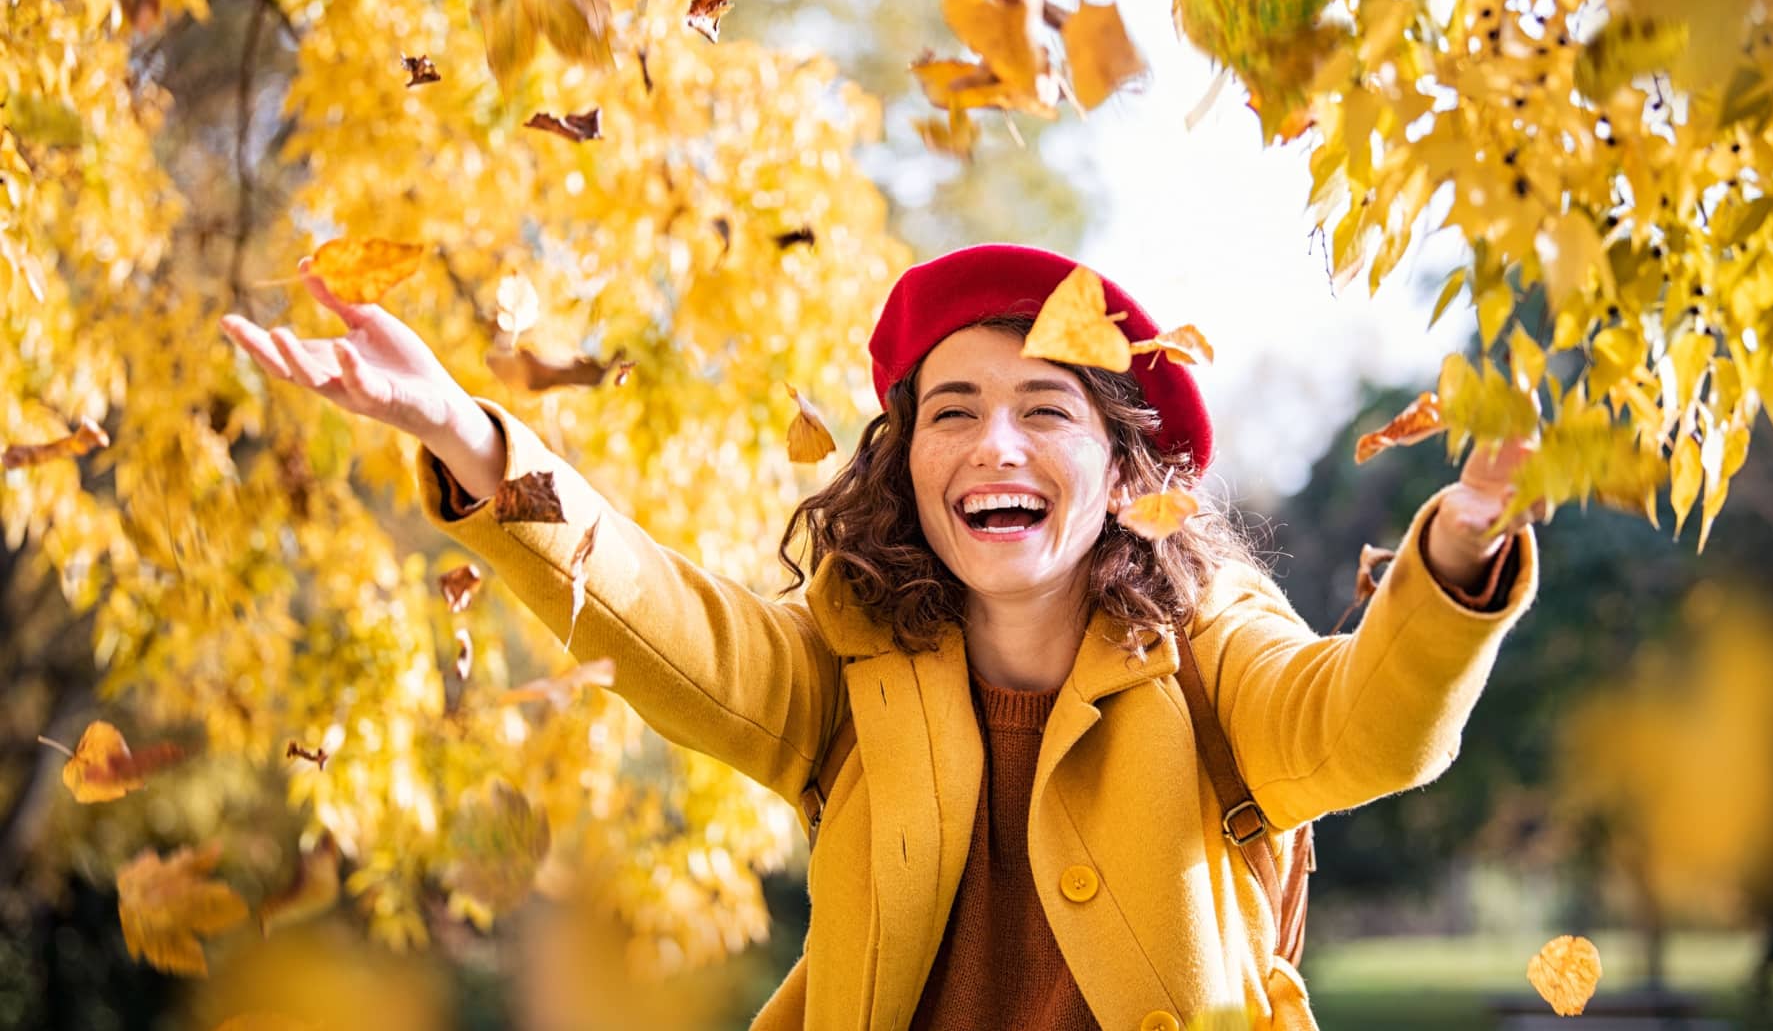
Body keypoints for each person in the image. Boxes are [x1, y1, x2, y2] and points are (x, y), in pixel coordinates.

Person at [222, 243, 1541, 1031]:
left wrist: (1464, 541)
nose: (995, 444)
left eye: (1046, 410)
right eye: (952, 410)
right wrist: (468, 435)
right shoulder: (842, 661)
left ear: (1128, 472)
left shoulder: (1210, 649)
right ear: (906, 460)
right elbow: (657, 616)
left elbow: (1364, 726)